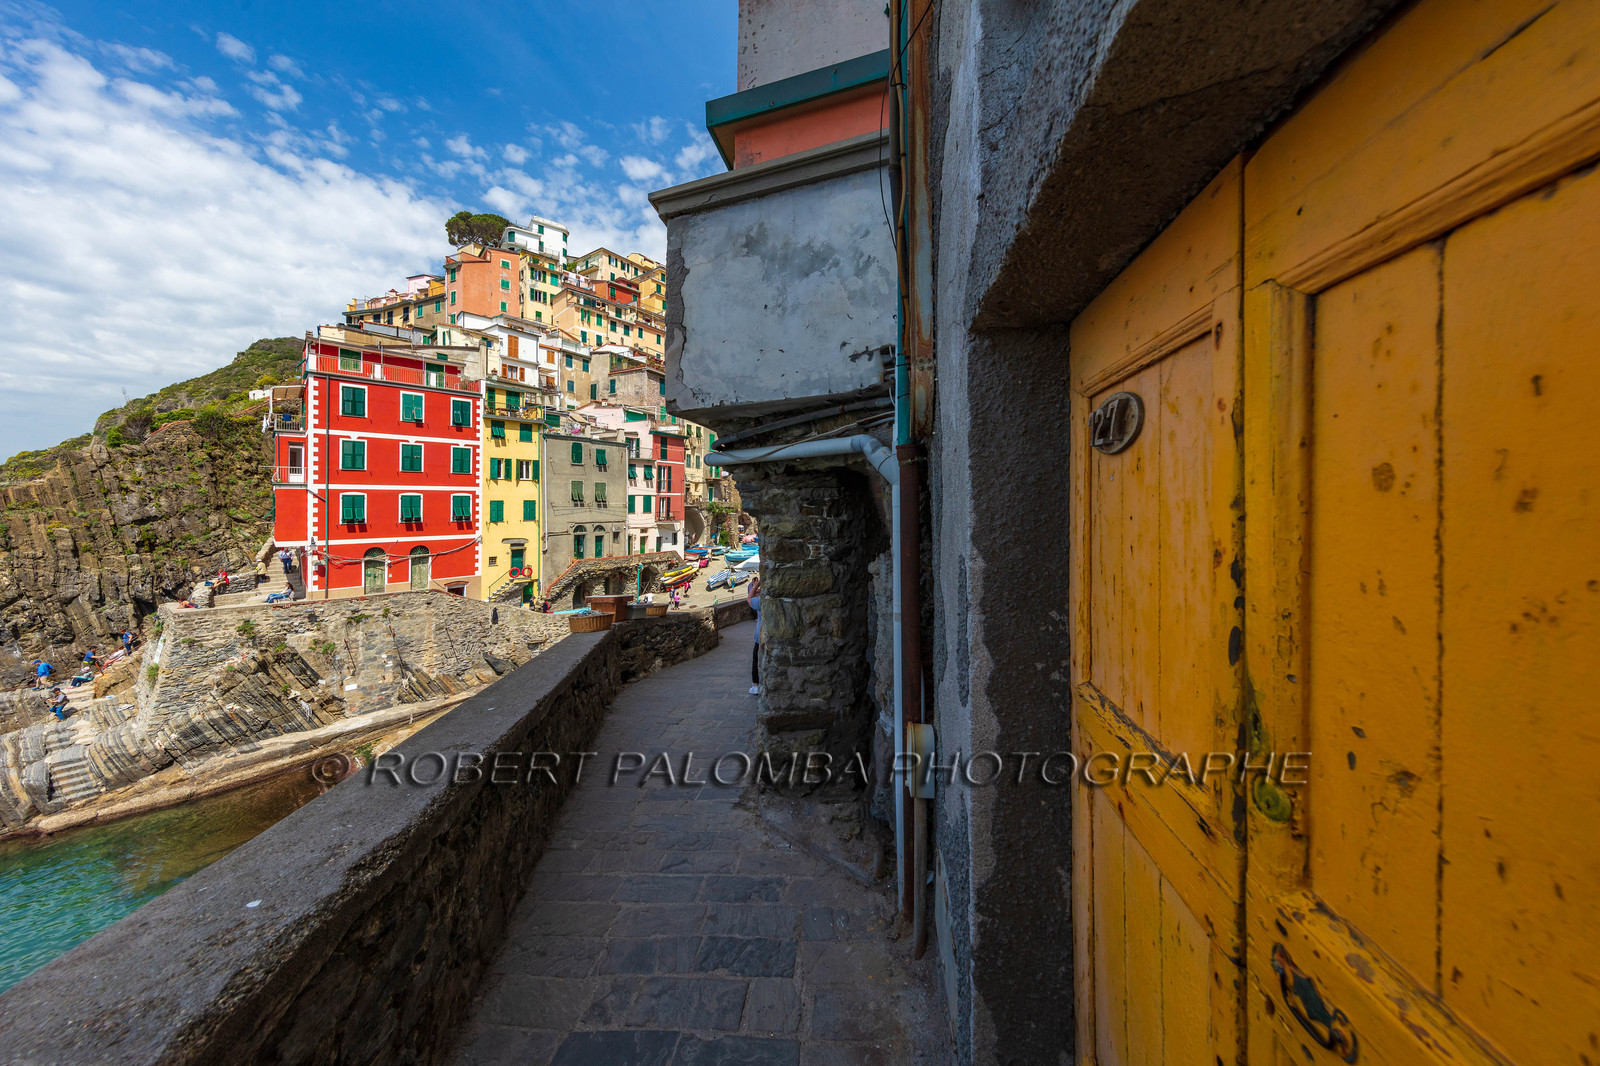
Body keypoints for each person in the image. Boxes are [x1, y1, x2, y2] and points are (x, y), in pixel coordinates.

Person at [747, 575, 762, 696]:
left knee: (756, 660)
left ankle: (755, 685)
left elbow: (749, 599)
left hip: (760, 637)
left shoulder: (760, 601)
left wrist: (755, 586)